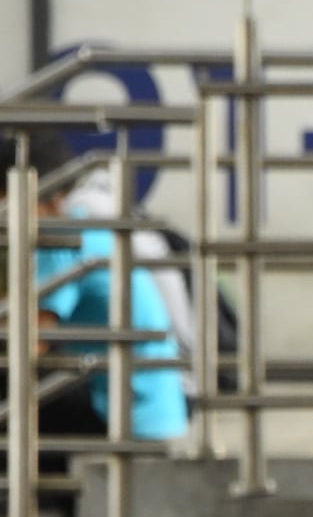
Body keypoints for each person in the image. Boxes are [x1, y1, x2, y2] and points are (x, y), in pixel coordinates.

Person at [0, 132, 189, 489]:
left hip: (126, 411)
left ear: (21, 191)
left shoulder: (60, 235)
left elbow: (27, 341)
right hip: (152, 404)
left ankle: (33, 498)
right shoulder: (86, 219)